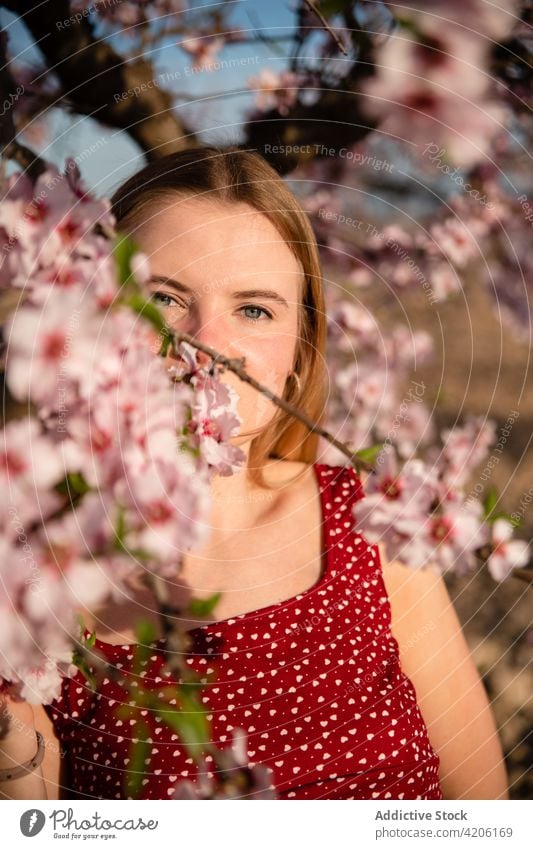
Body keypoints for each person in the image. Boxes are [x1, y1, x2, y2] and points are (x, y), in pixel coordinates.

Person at [0, 145, 509, 801]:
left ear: (300, 352)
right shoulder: (45, 564)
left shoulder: (375, 524)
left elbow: (480, 803)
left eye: (254, 309)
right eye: (162, 296)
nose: (205, 339)